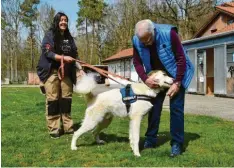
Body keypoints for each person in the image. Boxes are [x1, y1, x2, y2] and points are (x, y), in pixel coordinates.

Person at [132, 19, 194, 157]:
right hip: (155, 78)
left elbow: (181, 59)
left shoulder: (169, 33)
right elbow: (136, 62)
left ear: (153, 31)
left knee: (176, 109)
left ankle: (177, 143)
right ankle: (150, 139)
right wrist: (146, 79)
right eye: (143, 42)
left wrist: (177, 82)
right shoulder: (137, 40)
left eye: (148, 40)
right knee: (153, 109)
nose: (146, 44)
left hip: (175, 75)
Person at [37, 12, 85, 139]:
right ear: (57, 21)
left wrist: (80, 69)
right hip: (51, 71)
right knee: (53, 100)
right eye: (61, 20)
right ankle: (54, 128)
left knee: (66, 99)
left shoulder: (69, 38)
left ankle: (68, 126)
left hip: (67, 72)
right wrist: (63, 57)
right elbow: (47, 52)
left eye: (65, 20)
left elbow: (74, 55)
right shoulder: (49, 35)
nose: (63, 22)